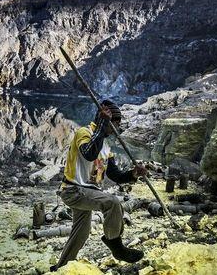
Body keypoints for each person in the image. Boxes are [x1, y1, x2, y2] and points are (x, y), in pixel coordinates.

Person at [50, 99, 146, 271]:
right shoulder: (83, 132)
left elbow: (114, 174)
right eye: (115, 124)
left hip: (87, 192)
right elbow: (89, 153)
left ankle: (61, 267)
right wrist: (102, 125)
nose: (116, 129)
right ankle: (115, 245)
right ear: (104, 121)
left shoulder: (106, 145)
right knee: (112, 202)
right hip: (73, 190)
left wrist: (133, 174)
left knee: (81, 233)